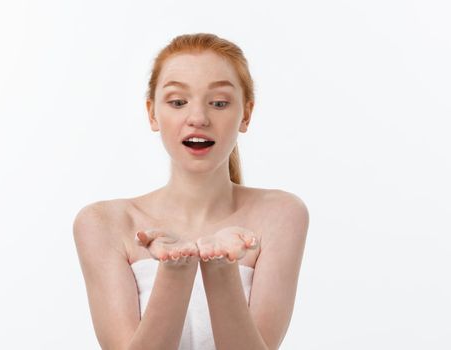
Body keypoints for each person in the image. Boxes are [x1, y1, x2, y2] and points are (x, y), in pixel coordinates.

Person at [73, 32, 309, 350]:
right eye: (178, 102)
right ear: (153, 113)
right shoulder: (103, 223)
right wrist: (175, 270)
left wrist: (221, 269)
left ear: (246, 114)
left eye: (220, 103)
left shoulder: (281, 214)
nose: (198, 118)